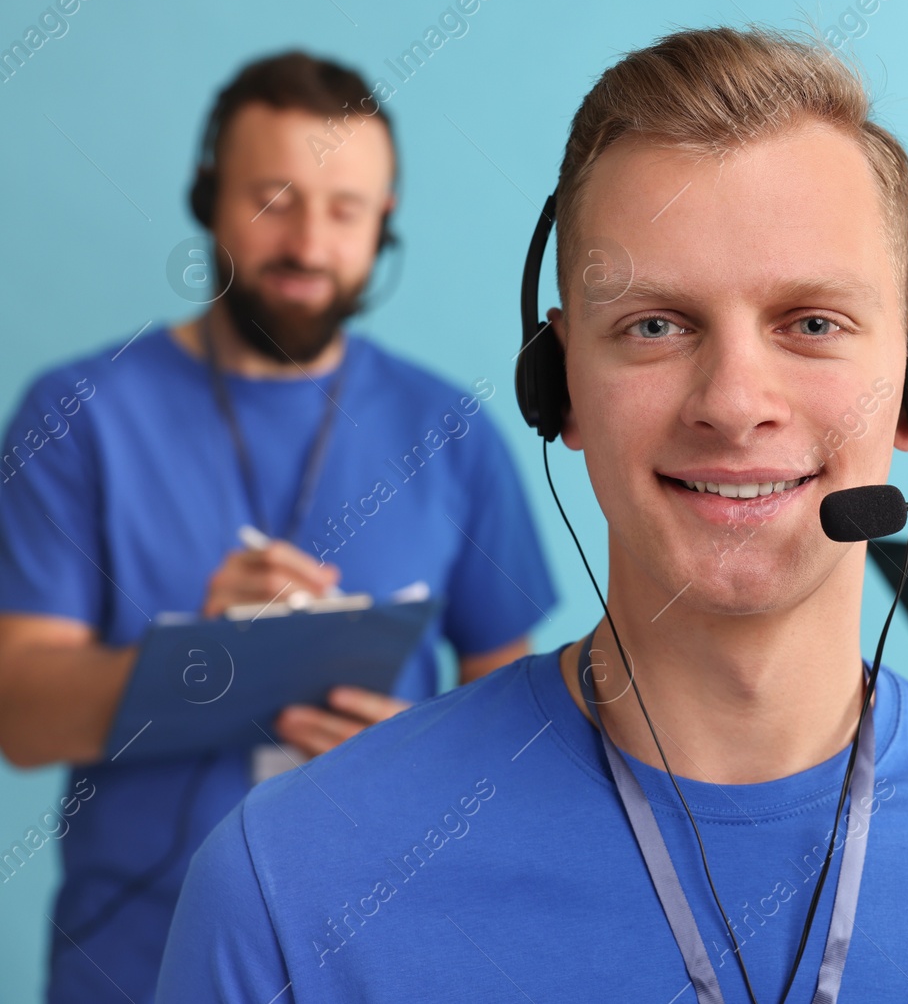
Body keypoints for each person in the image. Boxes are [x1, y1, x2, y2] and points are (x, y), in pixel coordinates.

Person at [154, 26, 908, 1003]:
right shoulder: (291, 878)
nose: (735, 401)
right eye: (654, 324)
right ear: (559, 383)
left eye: (813, 322)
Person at [0, 51, 557, 1004]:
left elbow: (519, 727)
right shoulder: (77, 412)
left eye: (345, 210)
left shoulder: (449, 430)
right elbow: (20, 713)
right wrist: (204, 663)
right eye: (274, 200)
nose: (306, 241)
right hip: (130, 966)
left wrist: (422, 752)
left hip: (393, 964)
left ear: (383, 227)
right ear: (209, 200)